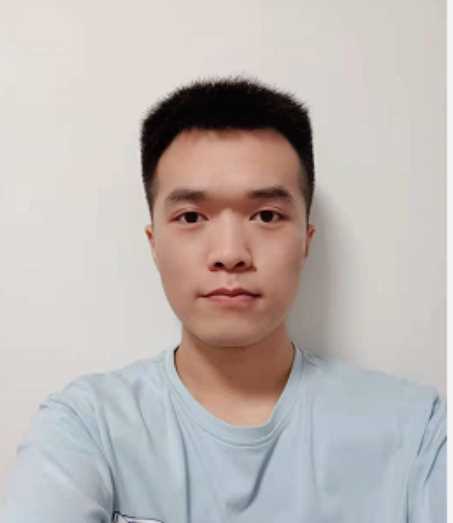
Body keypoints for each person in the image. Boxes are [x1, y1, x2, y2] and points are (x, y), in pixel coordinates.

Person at [1, 76, 446, 522]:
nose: (230, 253)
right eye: (191, 217)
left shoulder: (416, 432)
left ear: (306, 241)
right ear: (154, 244)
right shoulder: (87, 427)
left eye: (266, 216)